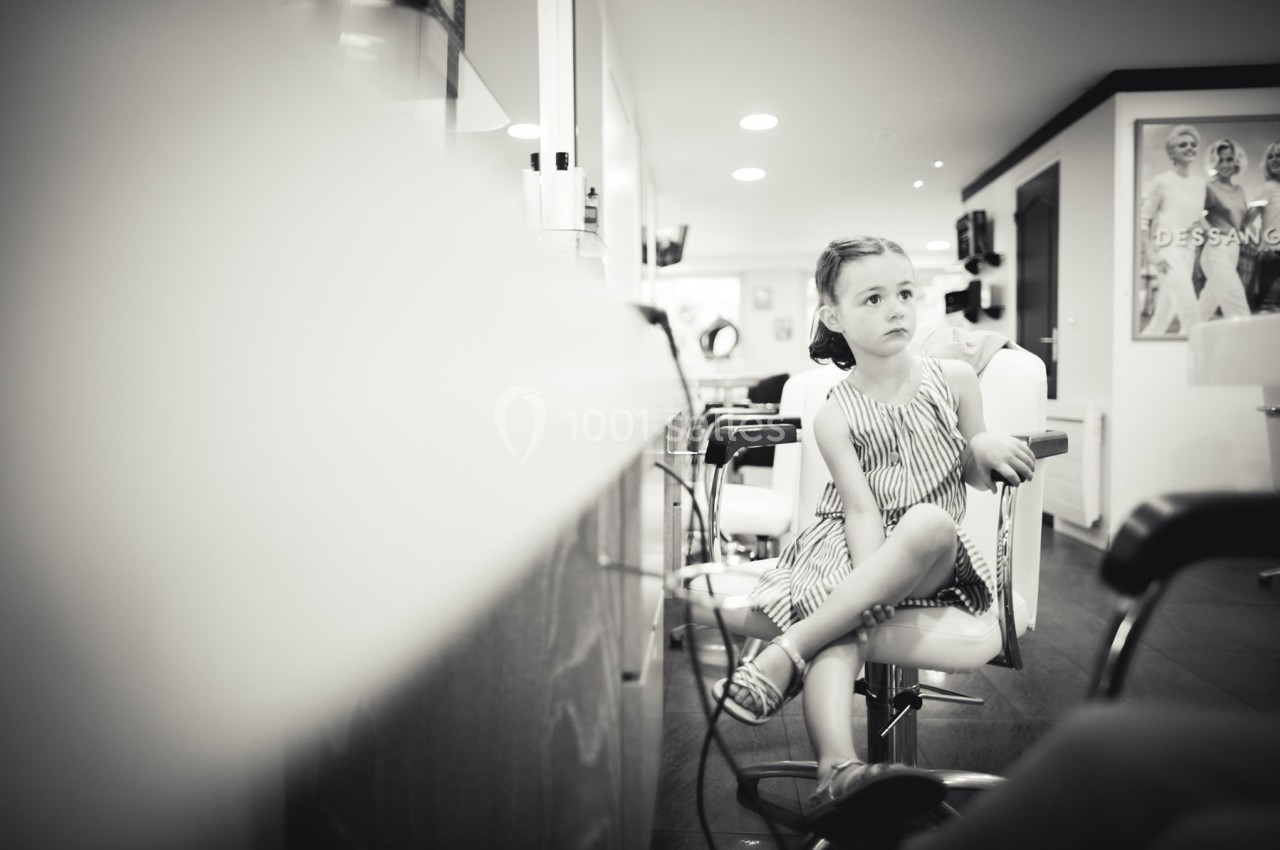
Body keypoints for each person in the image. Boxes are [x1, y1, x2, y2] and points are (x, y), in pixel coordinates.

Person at [712, 236, 1036, 833]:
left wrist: (982, 444)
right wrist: (865, 592)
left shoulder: (956, 377)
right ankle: (840, 771)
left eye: (906, 293)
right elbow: (859, 512)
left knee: (929, 520)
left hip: (932, 551)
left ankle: (784, 654)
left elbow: (972, 473)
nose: (897, 309)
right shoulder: (834, 411)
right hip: (847, 543)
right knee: (843, 629)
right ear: (833, 316)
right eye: (874, 298)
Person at [1139, 125, 1208, 336]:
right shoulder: (1162, 182)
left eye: (1193, 145)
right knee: (1192, 316)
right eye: (1183, 145)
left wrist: (1215, 235)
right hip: (1168, 256)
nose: (1189, 148)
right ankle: (1196, 366)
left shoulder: (1199, 184)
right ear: (1171, 152)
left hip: (1189, 254)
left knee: (1161, 320)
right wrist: (1151, 254)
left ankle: (1140, 359)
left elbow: (1198, 220)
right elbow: (1144, 221)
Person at [1195, 139, 1252, 321]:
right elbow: (1196, 214)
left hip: (1233, 248)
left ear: (1236, 161)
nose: (1225, 164)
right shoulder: (1209, 188)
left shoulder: (1240, 189)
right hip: (1216, 248)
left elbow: (1241, 221)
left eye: (1229, 159)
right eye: (1221, 160)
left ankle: (1189, 330)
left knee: (1210, 298)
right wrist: (1211, 235)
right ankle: (1246, 339)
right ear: (1213, 162)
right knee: (1235, 297)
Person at [1247, 140, 1280, 311]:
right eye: (1271, 157)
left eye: (1279, 156)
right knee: (1264, 308)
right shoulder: (1267, 188)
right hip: (1272, 256)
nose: (1274, 160)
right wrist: (1260, 243)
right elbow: (1246, 221)